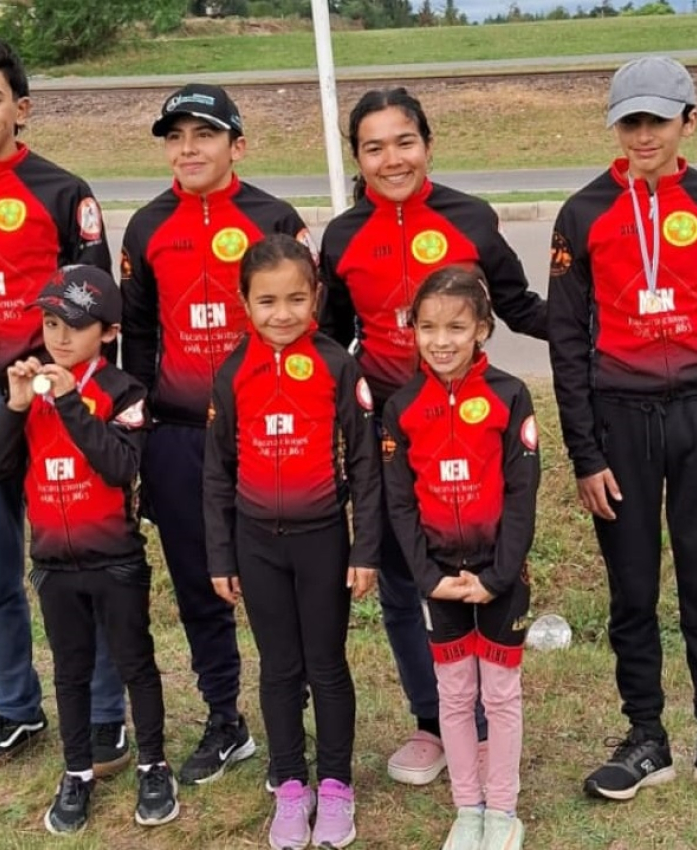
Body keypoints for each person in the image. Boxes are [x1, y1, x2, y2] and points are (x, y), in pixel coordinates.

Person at [547, 56, 697, 810]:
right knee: (632, 590)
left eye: (658, 121)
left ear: (689, 122)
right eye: (630, 121)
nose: (643, 135)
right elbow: (566, 346)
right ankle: (645, 738)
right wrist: (585, 454)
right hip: (620, 425)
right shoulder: (582, 214)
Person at [319, 86, 546, 786]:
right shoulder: (341, 236)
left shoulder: (471, 218)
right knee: (403, 581)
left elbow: (519, 306)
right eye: (374, 147)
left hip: (471, 429)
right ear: (358, 157)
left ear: (427, 144)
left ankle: (483, 721)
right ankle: (432, 721)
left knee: (480, 568)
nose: (392, 159)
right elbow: (331, 339)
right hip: (389, 431)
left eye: (405, 142)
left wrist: (597, 331)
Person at [0, 35, 129, 774]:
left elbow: (100, 309)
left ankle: (104, 714)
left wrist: (95, 403)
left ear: (21, 107)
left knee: (77, 558)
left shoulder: (63, 192)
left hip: (56, 398)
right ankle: (16, 706)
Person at [120, 82, 317, 786]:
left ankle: (290, 720)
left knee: (276, 584)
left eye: (203, 134)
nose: (188, 149)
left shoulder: (273, 218)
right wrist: (138, 438)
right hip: (177, 438)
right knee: (201, 582)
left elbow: (310, 326)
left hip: (268, 434)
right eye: (175, 137)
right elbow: (137, 340)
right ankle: (224, 718)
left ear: (238, 144)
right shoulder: (145, 226)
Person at [0, 265, 178, 834]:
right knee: (70, 671)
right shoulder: (30, 385)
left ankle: (153, 765)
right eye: (50, 324)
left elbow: (119, 466)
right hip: (53, 562)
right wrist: (16, 406)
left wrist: (70, 403)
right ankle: (76, 772)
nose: (60, 337)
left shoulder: (123, 391)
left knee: (135, 663)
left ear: (109, 332)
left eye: (76, 325)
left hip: (116, 559)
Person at [204, 234, 381, 850]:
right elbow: (217, 473)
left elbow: (365, 465)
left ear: (317, 297)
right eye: (267, 301)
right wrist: (221, 554)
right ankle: (289, 785)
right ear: (244, 303)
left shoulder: (337, 365)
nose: (283, 313)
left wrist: (365, 548)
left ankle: (334, 785)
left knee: (326, 666)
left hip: (323, 540)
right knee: (278, 668)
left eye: (296, 299)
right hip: (256, 545)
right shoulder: (232, 373)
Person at [383, 267, 537, 850]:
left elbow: (523, 493)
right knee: (453, 695)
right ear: (413, 330)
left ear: (482, 329)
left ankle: (502, 810)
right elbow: (400, 503)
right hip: (440, 582)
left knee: (499, 695)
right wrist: (427, 578)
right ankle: (467, 809)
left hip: (500, 577)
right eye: (428, 327)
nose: (441, 341)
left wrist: (498, 576)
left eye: (456, 327)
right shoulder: (401, 406)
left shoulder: (509, 395)